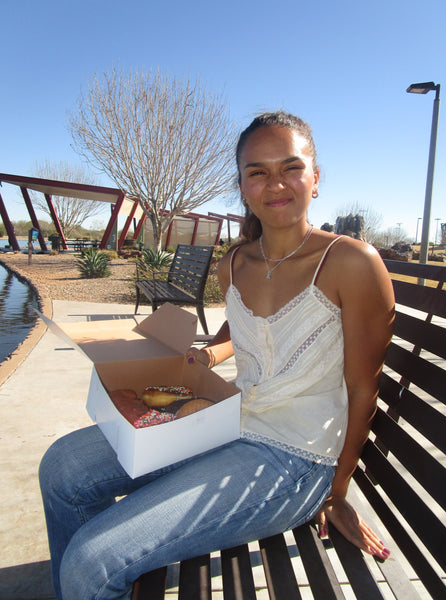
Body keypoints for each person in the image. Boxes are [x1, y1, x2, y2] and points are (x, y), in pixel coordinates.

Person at [39, 111, 395, 600]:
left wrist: (336, 491)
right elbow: (240, 330)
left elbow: (363, 387)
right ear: (243, 186)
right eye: (257, 172)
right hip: (228, 420)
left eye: (291, 167)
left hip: (294, 458)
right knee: (62, 468)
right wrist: (208, 357)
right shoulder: (234, 264)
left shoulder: (351, 262)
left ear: (316, 178)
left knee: (93, 560)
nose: (276, 183)